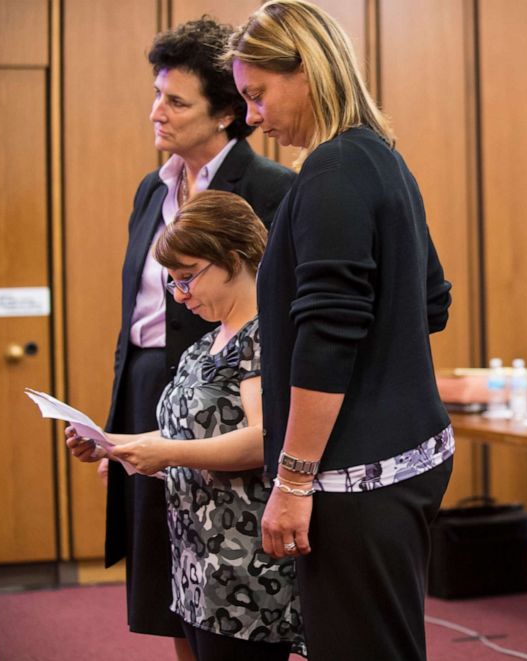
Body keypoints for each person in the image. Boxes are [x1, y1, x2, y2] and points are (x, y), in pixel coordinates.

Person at [227, 2, 454, 659]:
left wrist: (293, 480)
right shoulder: (378, 157)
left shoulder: (332, 170)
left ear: (307, 71)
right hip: (405, 456)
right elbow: (431, 303)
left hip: (357, 474)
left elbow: (328, 337)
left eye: (257, 94)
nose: (252, 117)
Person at [64, 18, 293, 659]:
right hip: (150, 381)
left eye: (175, 100)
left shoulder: (274, 191)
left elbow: (277, 312)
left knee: (224, 560)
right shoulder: (151, 189)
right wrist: (116, 429)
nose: (155, 112)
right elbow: (136, 313)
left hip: (233, 385)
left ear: (227, 113)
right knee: (166, 576)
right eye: (156, 94)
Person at [70, 192, 305, 659]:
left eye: (187, 279)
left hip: (244, 561)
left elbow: (264, 441)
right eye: (172, 284)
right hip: (198, 557)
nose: (180, 295)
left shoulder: (263, 337)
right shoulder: (205, 345)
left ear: (234, 260)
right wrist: (111, 445)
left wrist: (167, 454)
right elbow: (184, 437)